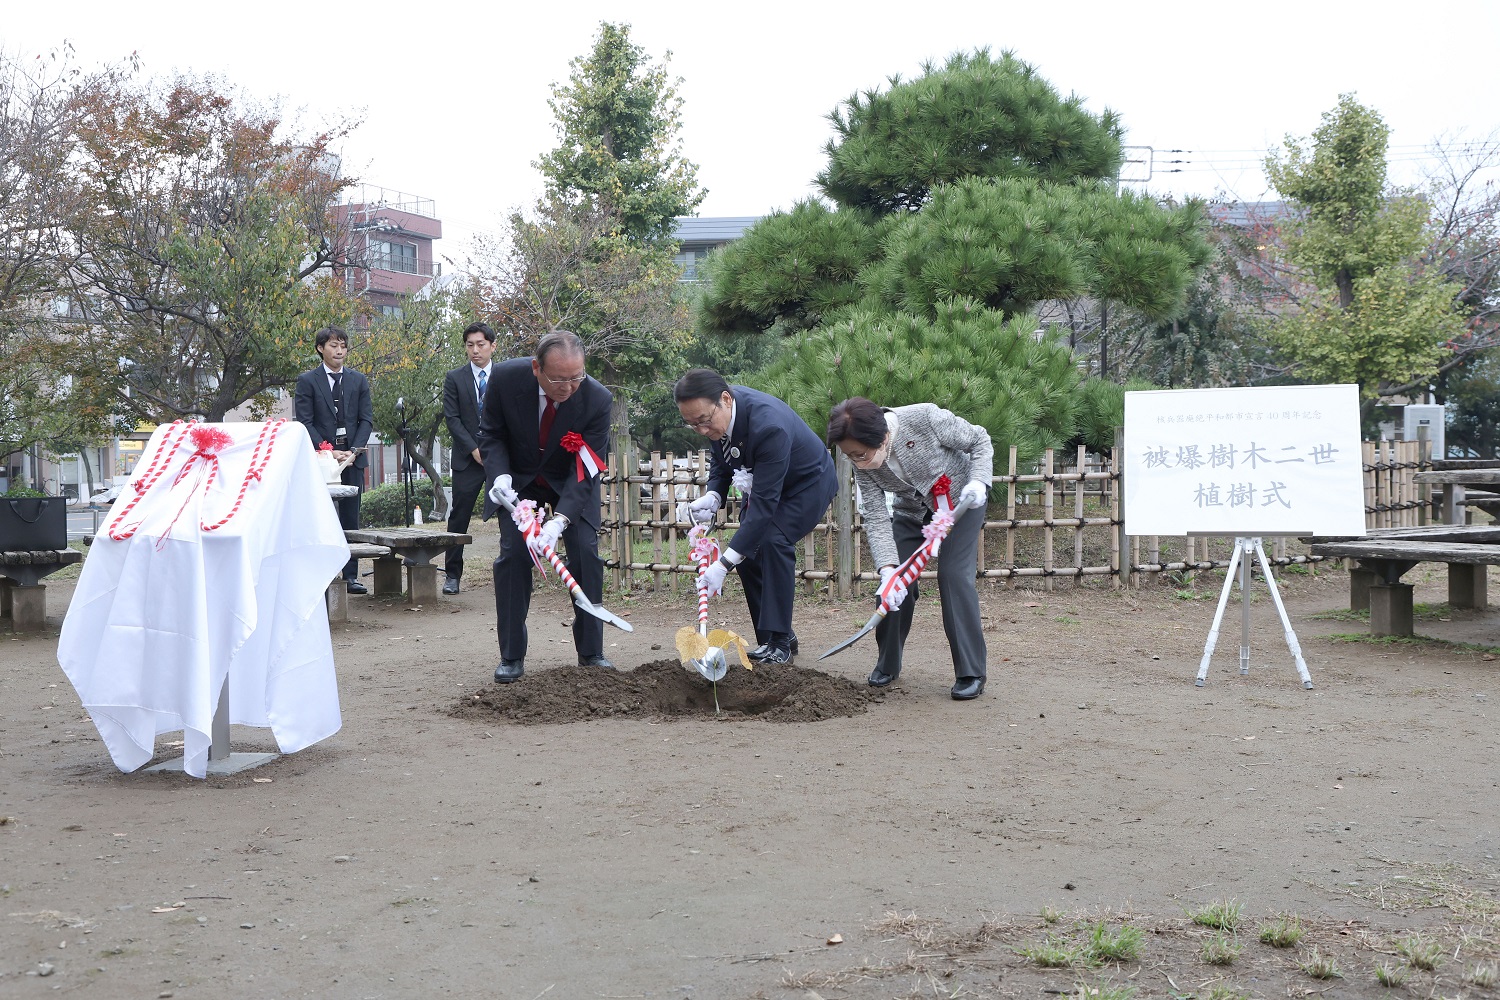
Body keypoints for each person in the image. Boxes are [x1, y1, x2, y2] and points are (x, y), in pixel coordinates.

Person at [825, 397, 993, 699]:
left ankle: (971, 671)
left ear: (883, 436)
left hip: (962, 500)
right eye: (850, 456)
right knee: (893, 585)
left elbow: (979, 439)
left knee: (953, 576)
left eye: (860, 454)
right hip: (913, 511)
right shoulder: (861, 462)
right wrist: (888, 570)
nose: (857, 462)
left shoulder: (925, 418)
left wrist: (979, 481)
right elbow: (876, 517)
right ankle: (887, 663)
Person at [675, 368, 838, 665]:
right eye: (691, 424)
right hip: (768, 483)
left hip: (808, 483)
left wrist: (722, 564)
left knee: (774, 540)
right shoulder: (715, 416)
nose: (700, 430)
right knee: (748, 552)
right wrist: (714, 495)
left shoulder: (768, 425)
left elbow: (763, 507)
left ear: (725, 399)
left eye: (703, 421)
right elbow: (722, 459)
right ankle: (775, 637)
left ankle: (779, 644)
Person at [480, 330, 613, 683]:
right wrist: (499, 477)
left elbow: (586, 469)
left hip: (570, 480)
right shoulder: (506, 379)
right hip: (519, 480)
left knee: (585, 553)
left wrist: (560, 522)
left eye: (576, 377)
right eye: (558, 379)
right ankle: (511, 655)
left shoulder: (597, 400)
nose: (568, 387)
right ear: (536, 367)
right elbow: (491, 433)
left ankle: (591, 652)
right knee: (513, 556)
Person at [295, 326, 374, 594]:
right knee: (321, 518)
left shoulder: (358, 380)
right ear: (320, 348)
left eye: (343, 346)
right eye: (333, 346)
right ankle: (324, 575)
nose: (339, 351)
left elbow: (366, 420)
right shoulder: (307, 381)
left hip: (352, 458)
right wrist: (327, 450)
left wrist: (354, 451)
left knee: (351, 518)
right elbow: (305, 422)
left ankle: (351, 576)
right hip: (321, 461)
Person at [441, 321, 498, 594]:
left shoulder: (505, 375)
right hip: (467, 458)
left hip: (500, 458)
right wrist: (475, 449)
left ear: (492, 346)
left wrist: (493, 451)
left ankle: (513, 572)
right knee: (459, 516)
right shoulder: (455, 377)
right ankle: (452, 575)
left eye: (481, 344)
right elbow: (452, 419)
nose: (475, 350)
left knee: (511, 514)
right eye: (470, 345)